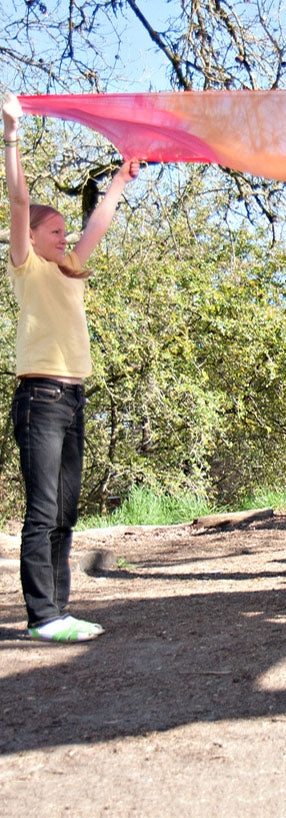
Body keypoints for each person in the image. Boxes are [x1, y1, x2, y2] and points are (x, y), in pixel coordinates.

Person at [4, 93, 140, 642]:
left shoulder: (71, 268)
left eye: (66, 232)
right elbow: (18, 200)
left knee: (64, 511)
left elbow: (99, 223)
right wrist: (11, 135)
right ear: (33, 238)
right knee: (42, 511)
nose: (66, 238)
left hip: (73, 398)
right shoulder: (27, 267)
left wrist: (121, 181)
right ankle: (42, 616)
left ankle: (57, 611)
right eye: (56, 232)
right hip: (39, 399)